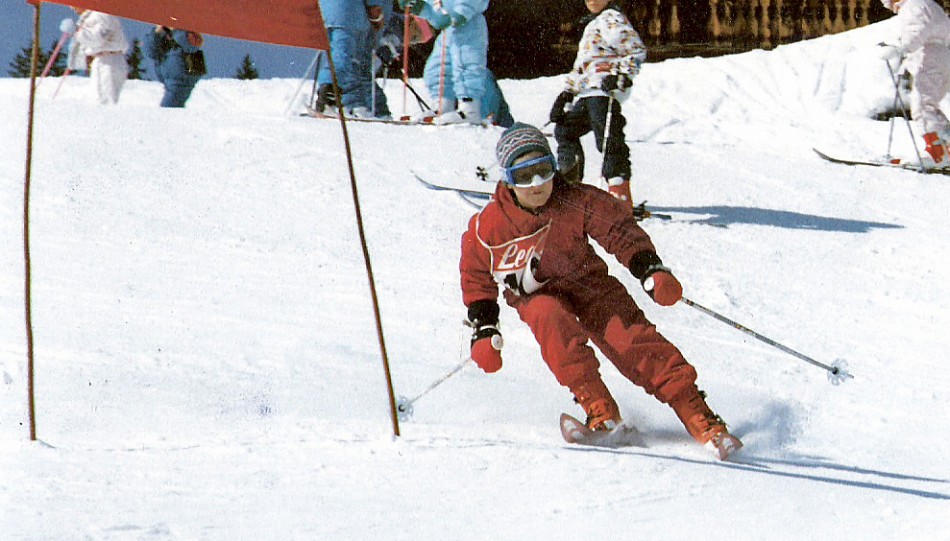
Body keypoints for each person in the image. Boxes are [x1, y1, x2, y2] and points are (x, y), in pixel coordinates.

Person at [459, 123, 743, 460]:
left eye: (543, 171)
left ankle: (699, 415)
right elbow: (476, 276)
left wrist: (648, 268)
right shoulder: (488, 227)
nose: (536, 185)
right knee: (549, 320)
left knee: (633, 339)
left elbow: (618, 229)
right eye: (524, 176)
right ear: (507, 179)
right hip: (537, 295)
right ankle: (600, 409)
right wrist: (484, 328)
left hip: (587, 281)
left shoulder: (575, 200)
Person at [548, 0, 646, 212]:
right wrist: (567, 93)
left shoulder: (612, 18)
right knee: (565, 130)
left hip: (604, 89)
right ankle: (570, 185)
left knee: (608, 138)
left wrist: (620, 75)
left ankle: (619, 195)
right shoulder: (592, 24)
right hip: (587, 91)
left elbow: (635, 50)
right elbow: (582, 65)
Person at [879, 0, 950, 164]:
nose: (889, 7)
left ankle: (937, 153)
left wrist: (900, 48)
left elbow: (916, 31)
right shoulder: (928, 4)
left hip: (929, 57)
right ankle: (945, 146)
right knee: (929, 106)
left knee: (922, 106)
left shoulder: (912, 6)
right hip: (941, 55)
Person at [399, 0, 491, 125]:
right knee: (437, 66)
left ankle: (470, 110)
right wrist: (420, 8)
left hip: (469, 27)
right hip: (449, 31)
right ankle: (442, 106)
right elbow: (438, 16)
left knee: (466, 63)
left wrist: (461, 13)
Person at [315, 0, 388, 118]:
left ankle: (325, 99)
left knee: (334, 57)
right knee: (343, 58)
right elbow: (374, 6)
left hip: (324, 13)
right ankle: (327, 101)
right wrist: (376, 10)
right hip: (347, 14)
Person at [61, 9, 129, 105]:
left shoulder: (101, 14)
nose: (72, 7)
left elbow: (98, 39)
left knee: (103, 101)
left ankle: (104, 118)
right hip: (105, 59)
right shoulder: (92, 16)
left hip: (107, 60)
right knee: (101, 99)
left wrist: (77, 31)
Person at [144, 26, 206, 108]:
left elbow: (191, 45)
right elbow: (151, 52)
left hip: (180, 82)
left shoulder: (188, 37)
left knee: (168, 111)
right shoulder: (166, 40)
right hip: (170, 81)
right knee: (169, 111)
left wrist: (176, 29)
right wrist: (156, 32)